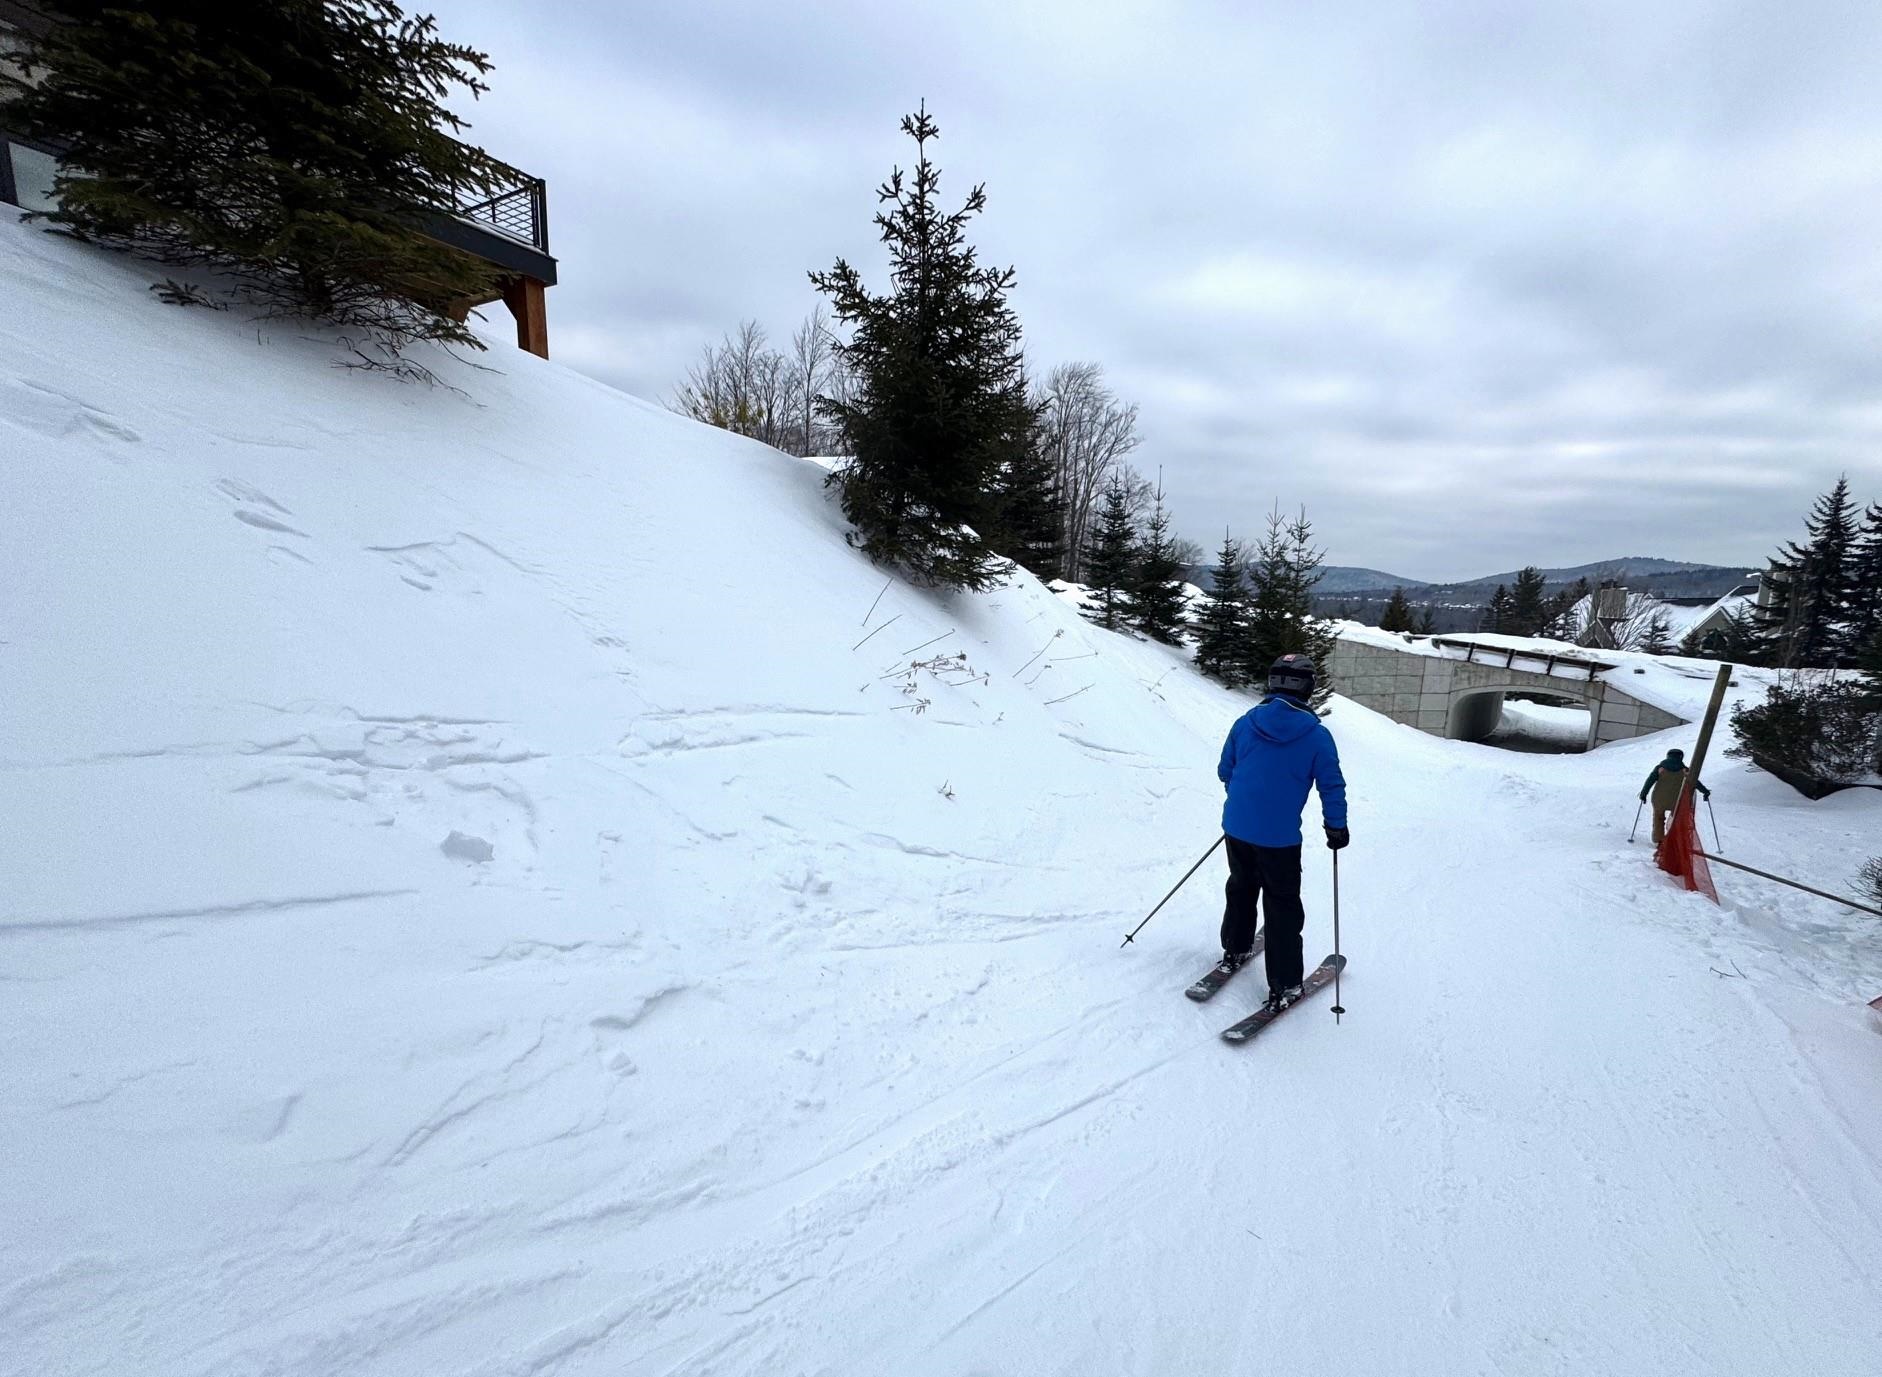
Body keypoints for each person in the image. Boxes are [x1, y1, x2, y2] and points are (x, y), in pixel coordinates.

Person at [1212, 653, 1349, 1014]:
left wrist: (1246, 804)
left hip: (1237, 827)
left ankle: (1235, 948)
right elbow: (1331, 786)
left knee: (1241, 887)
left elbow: (1226, 770)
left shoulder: (1245, 723)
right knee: (1282, 904)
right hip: (1279, 839)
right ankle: (1286, 984)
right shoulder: (1316, 736)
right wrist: (1336, 826)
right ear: (1308, 688)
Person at [1640, 747, 1710, 844]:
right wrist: (1705, 791)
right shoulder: (1685, 770)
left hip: (1659, 799)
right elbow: (1695, 783)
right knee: (1677, 821)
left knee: (1658, 818)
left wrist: (1643, 794)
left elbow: (1649, 781)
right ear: (1681, 757)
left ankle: (1659, 840)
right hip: (1677, 801)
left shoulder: (1660, 768)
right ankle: (1675, 840)